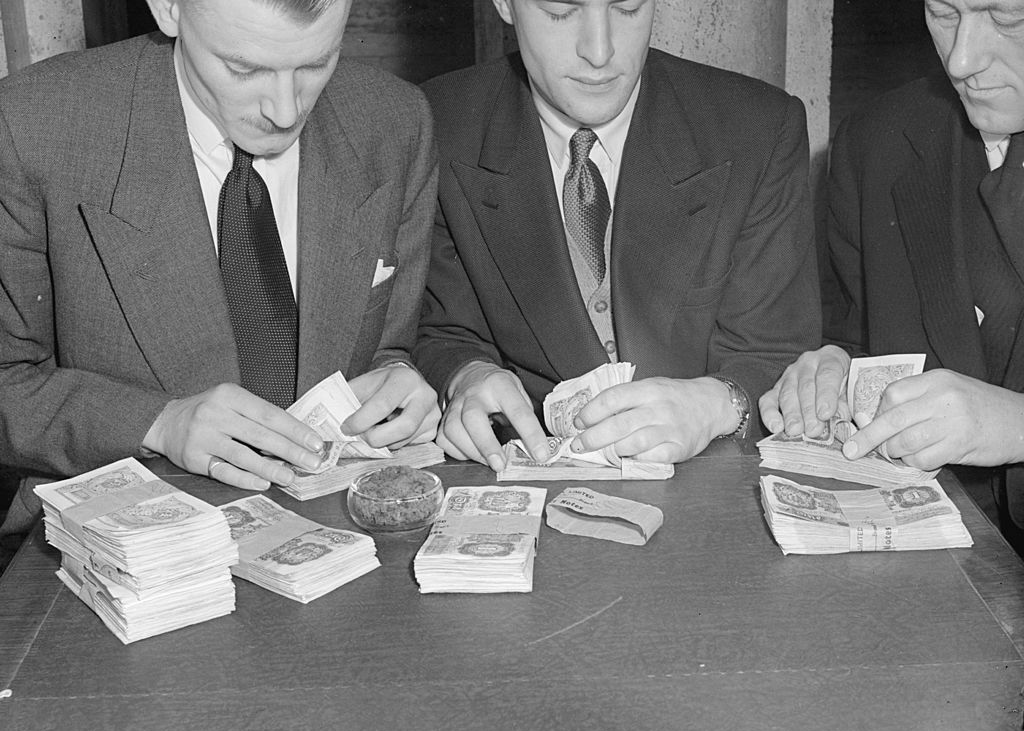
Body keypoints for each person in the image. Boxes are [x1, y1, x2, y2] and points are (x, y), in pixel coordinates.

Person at [0, 0, 440, 539]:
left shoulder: (396, 120)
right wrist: (159, 423)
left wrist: (399, 388)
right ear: (168, 8)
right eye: (243, 69)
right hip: (123, 540)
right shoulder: (31, 125)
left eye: (316, 63)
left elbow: (387, 348)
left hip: (339, 530)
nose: (285, 111)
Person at [414, 0, 821, 472]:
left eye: (627, 8)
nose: (600, 51)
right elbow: (440, 331)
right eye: (561, 11)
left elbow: (776, 353)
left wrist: (719, 402)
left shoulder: (759, 128)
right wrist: (465, 374)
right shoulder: (435, 125)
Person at [759, 0, 1024, 547]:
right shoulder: (876, 140)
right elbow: (857, 333)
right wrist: (833, 367)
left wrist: (1014, 424)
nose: (960, 61)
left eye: (1006, 19)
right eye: (943, 13)